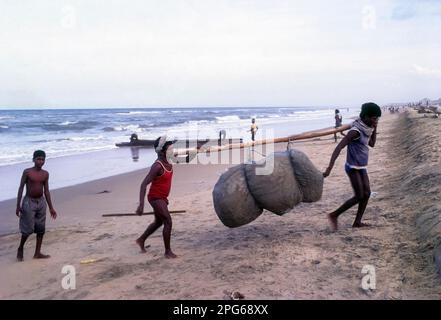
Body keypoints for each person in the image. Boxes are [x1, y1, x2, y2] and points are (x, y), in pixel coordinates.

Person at [323, 103, 381, 231]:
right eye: (373, 118)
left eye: (377, 119)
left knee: (367, 194)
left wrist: (375, 128)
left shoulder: (367, 128)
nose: (375, 121)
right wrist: (329, 167)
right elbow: (339, 147)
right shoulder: (355, 131)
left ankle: (357, 222)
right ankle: (334, 215)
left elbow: (372, 144)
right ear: (365, 116)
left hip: (362, 166)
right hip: (352, 167)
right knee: (359, 195)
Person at [135, 136, 177, 259]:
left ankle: (141, 240)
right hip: (155, 197)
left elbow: (184, 158)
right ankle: (167, 252)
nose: (173, 152)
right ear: (162, 152)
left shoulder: (169, 161)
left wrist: (196, 150)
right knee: (168, 221)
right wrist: (141, 205)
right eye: (170, 150)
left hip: (162, 197)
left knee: (159, 222)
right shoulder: (157, 166)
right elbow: (143, 184)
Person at [16, 150, 57, 261]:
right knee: (27, 229)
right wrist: (18, 205)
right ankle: (20, 248)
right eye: (38, 159)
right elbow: (21, 188)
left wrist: (51, 207)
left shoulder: (45, 174)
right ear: (33, 159)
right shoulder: (27, 172)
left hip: (41, 202)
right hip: (29, 202)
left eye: (43, 159)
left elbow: (47, 191)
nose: (41, 161)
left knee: (40, 229)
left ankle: (37, 253)